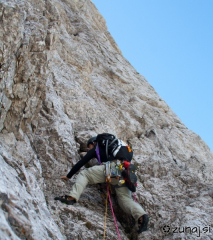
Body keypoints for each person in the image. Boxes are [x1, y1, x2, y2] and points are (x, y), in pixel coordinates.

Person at [55, 135, 149, 233]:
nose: (88, 149)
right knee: (124, 200)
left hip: (114, 168)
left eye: (89, 146)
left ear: (93, 142)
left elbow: (82, 162)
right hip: (124, 172)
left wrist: (68, 176)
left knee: (85, 174)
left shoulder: (97, 147)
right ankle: (141, 216)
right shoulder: (116, 147)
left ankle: (72, 197)